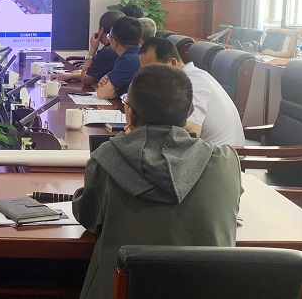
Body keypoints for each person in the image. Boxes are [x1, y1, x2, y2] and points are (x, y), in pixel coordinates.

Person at [72, 65, 242, 299]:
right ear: (190, 110)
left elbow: (87, 217)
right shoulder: (226, 161)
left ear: (129, 114)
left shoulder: (107, 158)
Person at [139, 37, 245, 146]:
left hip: (221, 154)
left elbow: (190, 133)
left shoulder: (194, 83)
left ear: (172, 63)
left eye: (153, 70)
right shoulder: (186, 79)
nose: (149, 78)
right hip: (208, 150)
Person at [56, 11, 125, 87]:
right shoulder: (125, 47)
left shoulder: (107, 52)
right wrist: (71, 75)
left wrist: (93, 48)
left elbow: (86, 79)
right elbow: (95, 75)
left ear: (101, 30)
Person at [95, 16, 142, 99]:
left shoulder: (127, 61)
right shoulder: (141, 53)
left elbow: (102, 94)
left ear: (114, 41)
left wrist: (117, 92)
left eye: (109, 36)